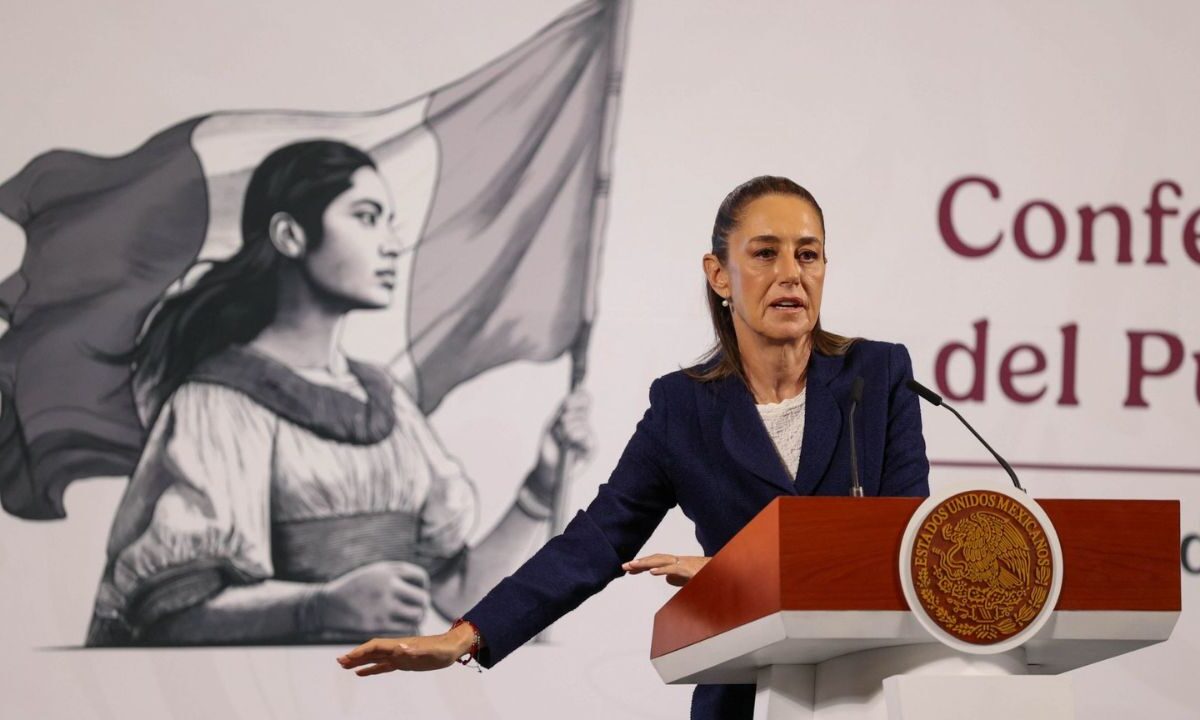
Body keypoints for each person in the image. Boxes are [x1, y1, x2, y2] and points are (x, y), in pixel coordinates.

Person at [337, 176, 930, 719]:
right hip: (744, 698)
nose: (791, 273)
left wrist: (733, 576)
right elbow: (594, 542)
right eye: (765, 253)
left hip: (869, 691)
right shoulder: (684, 408)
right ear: (719, 274)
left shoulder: (875, 377)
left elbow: (905, 551)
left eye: (808, 254)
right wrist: (464, 636)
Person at [86, 140, 591, 646]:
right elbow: (170, 616)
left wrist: (540, 486)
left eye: (389, 221)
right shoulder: (219, 402)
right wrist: (319, 607)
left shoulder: (386, 401)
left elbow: (461, 596)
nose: (392, 243)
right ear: (290, 235)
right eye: (367, 217)